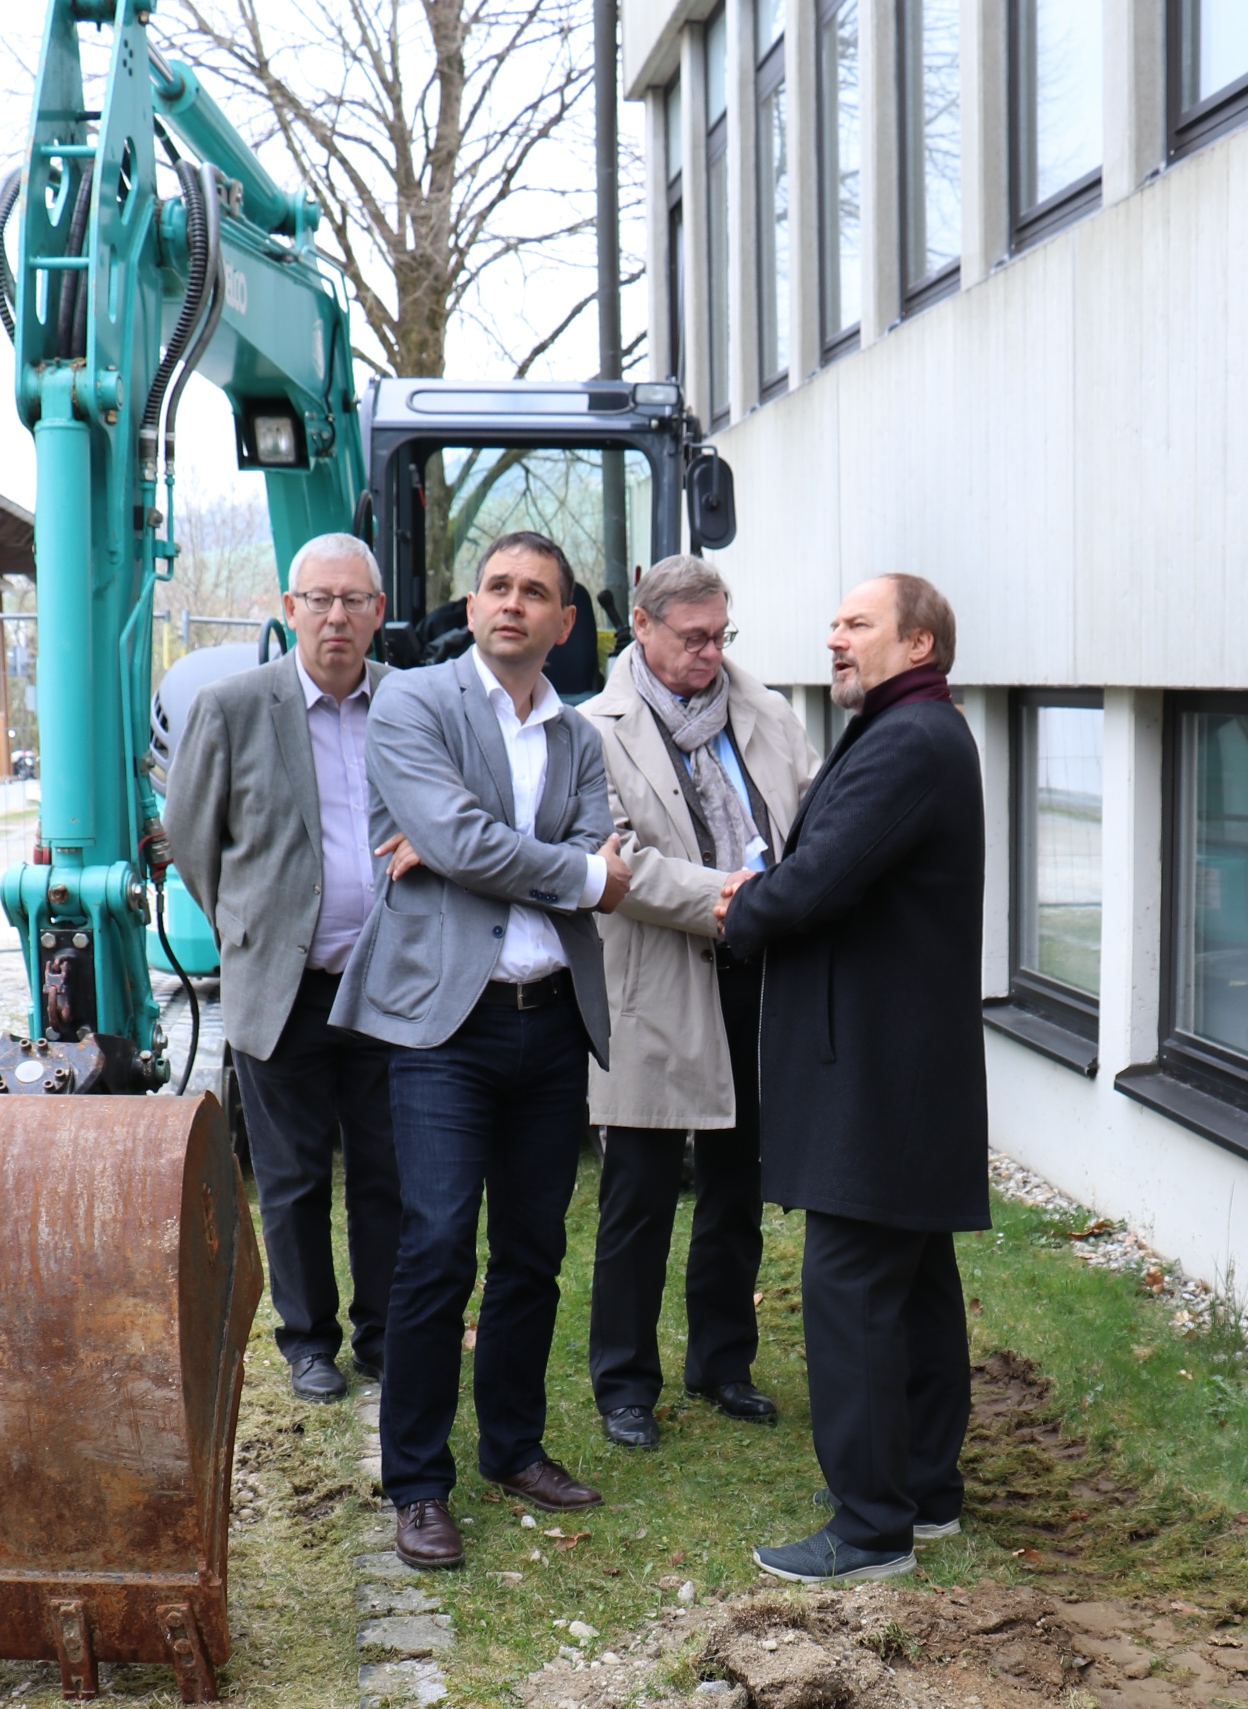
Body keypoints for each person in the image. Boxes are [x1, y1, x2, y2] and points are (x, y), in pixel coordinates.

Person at [331, 531, 631, 1571]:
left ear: (561, 622)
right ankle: (417, 1479)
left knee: (534, 1251)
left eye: (534, 593)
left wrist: (463, 849)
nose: (512, 604)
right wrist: (563, 872)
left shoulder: (579, 736)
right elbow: (569, 865)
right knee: (437, 1246)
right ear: (471, 605)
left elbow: (508, 844)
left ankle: (512, 1447)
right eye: (497, 587)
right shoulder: (413, 702)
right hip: (444, 1026)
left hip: (549, 1020)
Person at [718, 572, 988, 1582]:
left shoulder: (909, 743)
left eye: (856, 624)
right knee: (910, 1283)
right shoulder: (914, 734)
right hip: (899, 1063)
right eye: (832, 622)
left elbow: (819, 878)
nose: (833, 638)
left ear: (917, 644)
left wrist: (742, 907)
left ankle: (869, 1528)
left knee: (849, 1286)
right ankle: (924, 1495)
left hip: (875, 1073)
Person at [582, 555, 818, 1449]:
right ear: (641, 628)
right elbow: (618, 861)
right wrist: (736, 897)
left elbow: (808, 814)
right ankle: (624, 1383)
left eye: (721, 636)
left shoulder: (766, 712)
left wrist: (780, 902)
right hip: (656, 980)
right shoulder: (591, 730)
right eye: (692, 638)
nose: (709, 654)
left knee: (739, 1180)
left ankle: (724, 1361)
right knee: (638, 1189)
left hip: (761, 973)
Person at [164, 534, 402, 1405]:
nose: (336, 616)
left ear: (378, 612)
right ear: (290, 607)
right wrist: (249, 926)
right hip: (282, 988)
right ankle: (309, 1342)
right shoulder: (233, 709)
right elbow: (194, 840)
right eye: (319, 599)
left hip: (388, 984)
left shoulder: (408, 706)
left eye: (354, 600)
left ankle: (382, 1333)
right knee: (294, 1176)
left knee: (388, 1171)